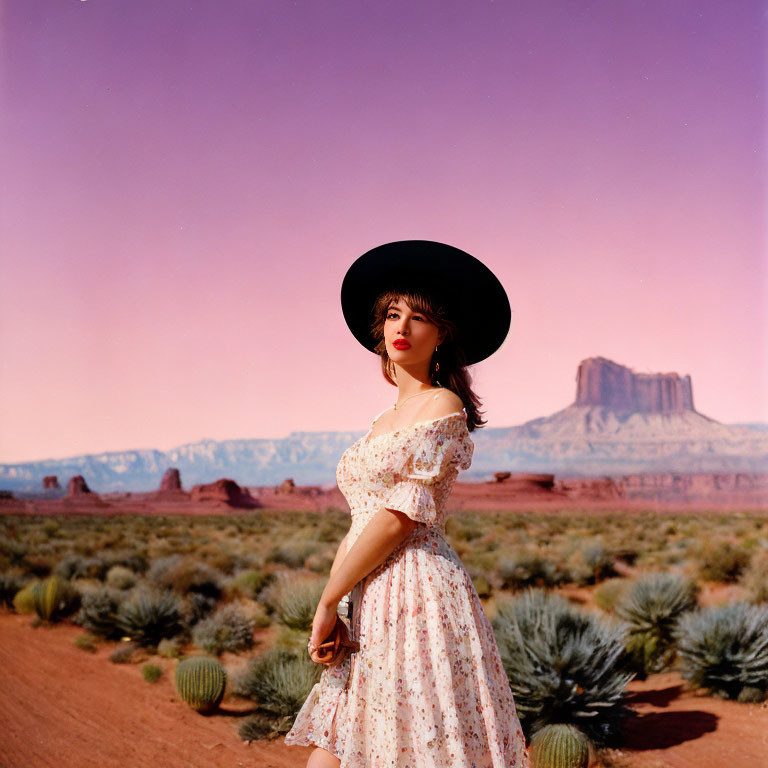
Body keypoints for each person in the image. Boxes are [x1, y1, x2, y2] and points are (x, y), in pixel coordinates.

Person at [284, 240, 531, 767]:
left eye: (419, 317)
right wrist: (337, 605)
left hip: (418, 596)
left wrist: (330, 598)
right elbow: (362, 522)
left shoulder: (442, 404)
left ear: (441, 334)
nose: (402, 326)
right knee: (339, 748)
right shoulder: (380, 422)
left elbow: (398, 517)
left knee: (411, 748)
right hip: (367, 595)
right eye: (393, 314)